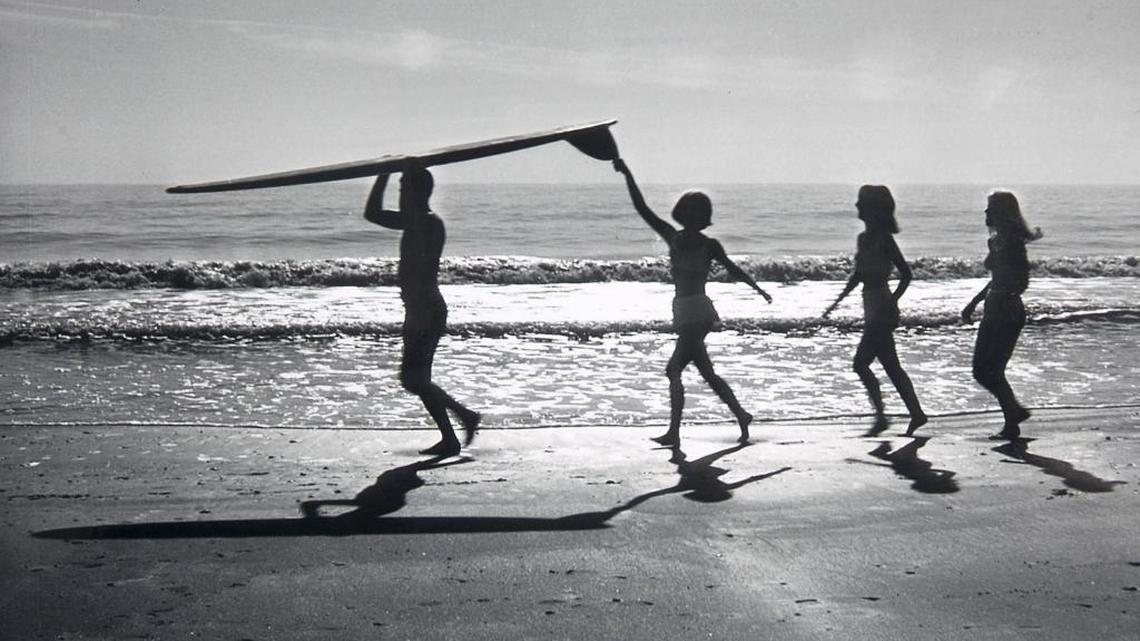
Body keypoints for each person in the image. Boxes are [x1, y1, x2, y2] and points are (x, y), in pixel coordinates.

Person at [613, 158, 771, 446]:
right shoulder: (674, 237)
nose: (690, 213)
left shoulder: (706, 244)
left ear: (700, 216)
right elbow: (642, 208)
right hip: (686, 310)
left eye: (695, 210)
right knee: (707, 373)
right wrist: (627, 175)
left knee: (673, 369)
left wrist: (757, 288)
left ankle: (674, 433)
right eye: (688, 209)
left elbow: (733, 269)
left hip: (697, 311)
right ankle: (741, 414)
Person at [364, 167, 480, 456]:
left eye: (404, 189)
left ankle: (464, 417)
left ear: (418, 192)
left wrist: (384, 173)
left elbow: (374, 214)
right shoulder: (417, 221)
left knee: (414, 380)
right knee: (417, 380)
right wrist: (386, 174)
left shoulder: (425, 223)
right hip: (420, 309)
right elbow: (373, 214)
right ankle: (453, 435)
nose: (401, 194)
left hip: (425, 311)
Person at [823, 185, 927, 436]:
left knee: (860, 364)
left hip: (882, 306)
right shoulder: (863, 238)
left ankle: (882, 417)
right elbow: (858, 275)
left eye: (861, 202)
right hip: (870, 304)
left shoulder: (885, 240)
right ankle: (915, 414)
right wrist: (836, 302)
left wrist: (892, 302)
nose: (857, 206)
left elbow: (906, 274)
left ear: (873, 209)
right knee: (891, 366)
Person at [962, 191, 1042, 440]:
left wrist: (1003, 296)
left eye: (990, 208)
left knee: (991, 370)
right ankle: (1014, 413)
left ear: (1002, 212)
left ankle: (1012, 420)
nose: (986, 212)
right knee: (982, 370)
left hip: (1007, 310)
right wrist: (975, 302)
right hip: (994, 307)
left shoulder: (1014, 243)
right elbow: (997, 279)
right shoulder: (996, 241)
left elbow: (1021, 281)